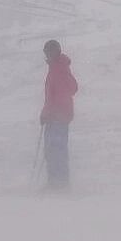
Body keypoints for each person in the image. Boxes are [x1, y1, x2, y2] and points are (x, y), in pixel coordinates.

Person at [40, 39, 78, 191]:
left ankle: (58, 184)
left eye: (48, 53)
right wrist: (46, 113)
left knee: (54, 150)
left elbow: (59, 97)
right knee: (55, 149)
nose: (47, 56)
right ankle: (57, 182)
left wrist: (49, 114)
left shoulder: (58, 70)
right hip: (59, 116)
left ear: (54, 52)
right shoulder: (58, 68)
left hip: (58, 117)